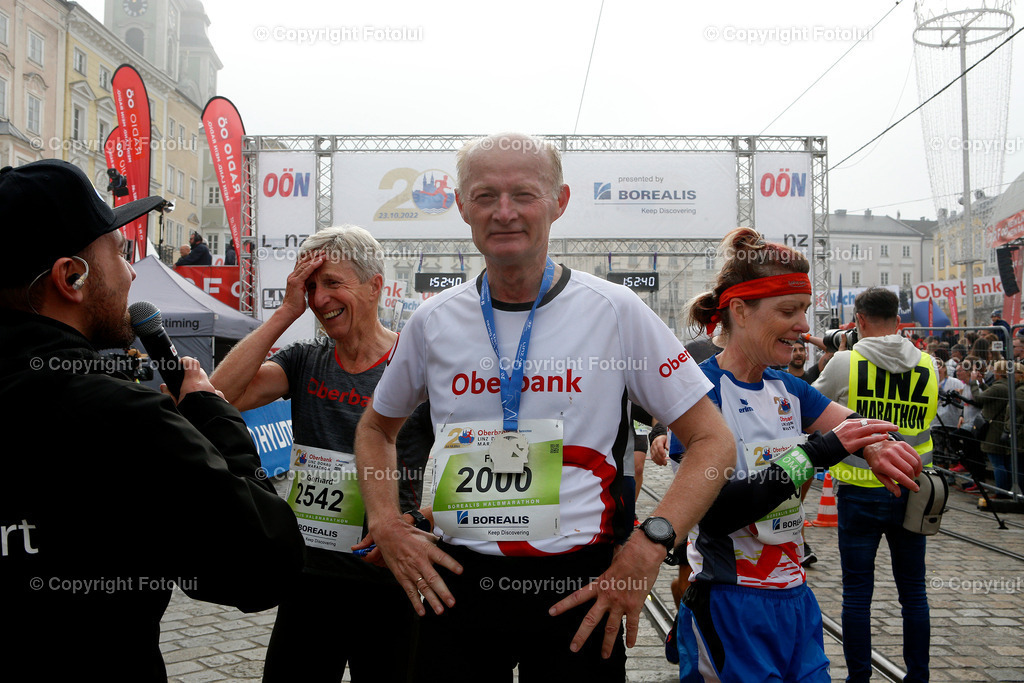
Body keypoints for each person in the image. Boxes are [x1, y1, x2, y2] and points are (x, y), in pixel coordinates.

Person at [353, 132, 736, 682]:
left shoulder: (615, 310)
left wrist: (650, 545)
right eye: (485, 196)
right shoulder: (433, 320)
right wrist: (387, 525)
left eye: (523, 195)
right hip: (457, 583)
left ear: (559, 201)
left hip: (579, 588)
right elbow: (375, 428)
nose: (504, 212)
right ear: (461, 207)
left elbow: (712, 440)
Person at [0, 159, 304, 680]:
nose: (132, 272)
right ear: (71, 277)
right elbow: (262, 565)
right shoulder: (119, 416)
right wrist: (213, 416)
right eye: (119, 252)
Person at [677, 230, 921, 683]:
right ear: (740, 311)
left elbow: (855, 425)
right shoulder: (698, 393)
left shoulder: (788, 387)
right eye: (788, 311)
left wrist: (880, 446)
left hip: (795, 595)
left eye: (805, 311)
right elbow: (717, 511)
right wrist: (818, 451)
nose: (804, 326)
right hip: (731, 601)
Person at [210, 225, 428, 682]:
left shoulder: (413, 364)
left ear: (374, 286)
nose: (320, 298)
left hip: (389, 577)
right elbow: (218, 397)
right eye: (310, 287)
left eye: (333, 283)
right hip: (310, 576)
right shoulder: (306, 359)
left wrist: (421, 519)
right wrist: (285, 313)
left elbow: (460, 453)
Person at [812, 287, 938, 683]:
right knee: (914, 593)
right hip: (912, 489)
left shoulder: (846, 362)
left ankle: (859, 678)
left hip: (858, 490)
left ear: (859, 320)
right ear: (898, 320)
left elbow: (811, 408)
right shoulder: (929, 365)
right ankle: (919, 676)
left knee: (857, 595)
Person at [969, 359, 1021, 497]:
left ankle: (1001, 492)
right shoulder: (1005, 386)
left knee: (997, 462)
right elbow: (992, 395)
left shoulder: (1000, 387)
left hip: (994, 429)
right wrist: (982, 384)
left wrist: (973, 383)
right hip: (1000, 427)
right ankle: (1006, 490)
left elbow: (979, 398)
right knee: (1003, 461)